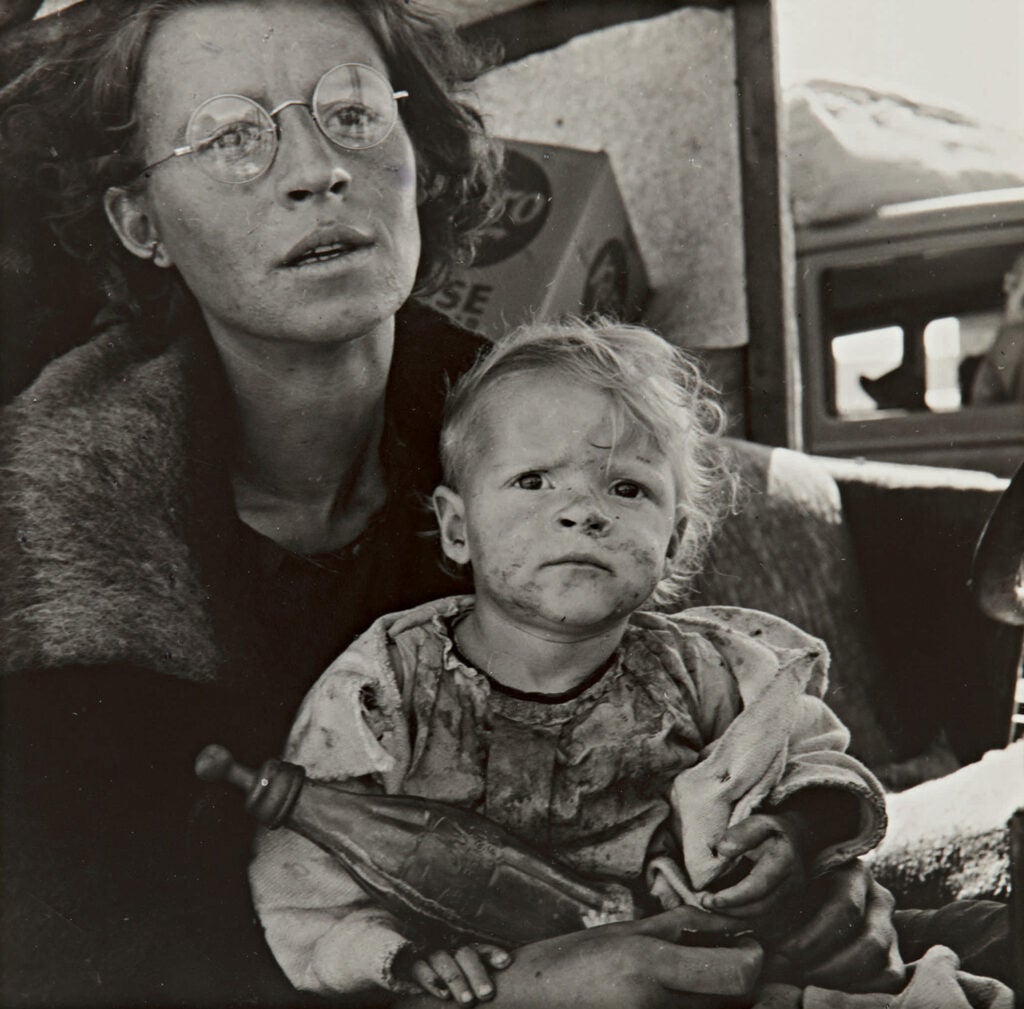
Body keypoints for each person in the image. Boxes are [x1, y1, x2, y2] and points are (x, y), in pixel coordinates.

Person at [0, 1, 946, 1006]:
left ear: (421, 156)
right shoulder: (47, 523)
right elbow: (73, 954)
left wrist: (815, 878)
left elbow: (702, 759)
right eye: (235, 135)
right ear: (140, 222)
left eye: (354, 114)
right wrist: (509, 995)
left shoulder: (554, 438)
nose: (317, 169)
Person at [249, 320, 893, 1006]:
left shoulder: (709, 668)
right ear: (456, 527)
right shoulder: (385, 685)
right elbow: (304, 871)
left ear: (674, 541)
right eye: (533, 480)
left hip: (709, 974)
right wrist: (398, 958)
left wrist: (795, 832)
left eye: (626, 489)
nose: (583, 512)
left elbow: (819, 765)